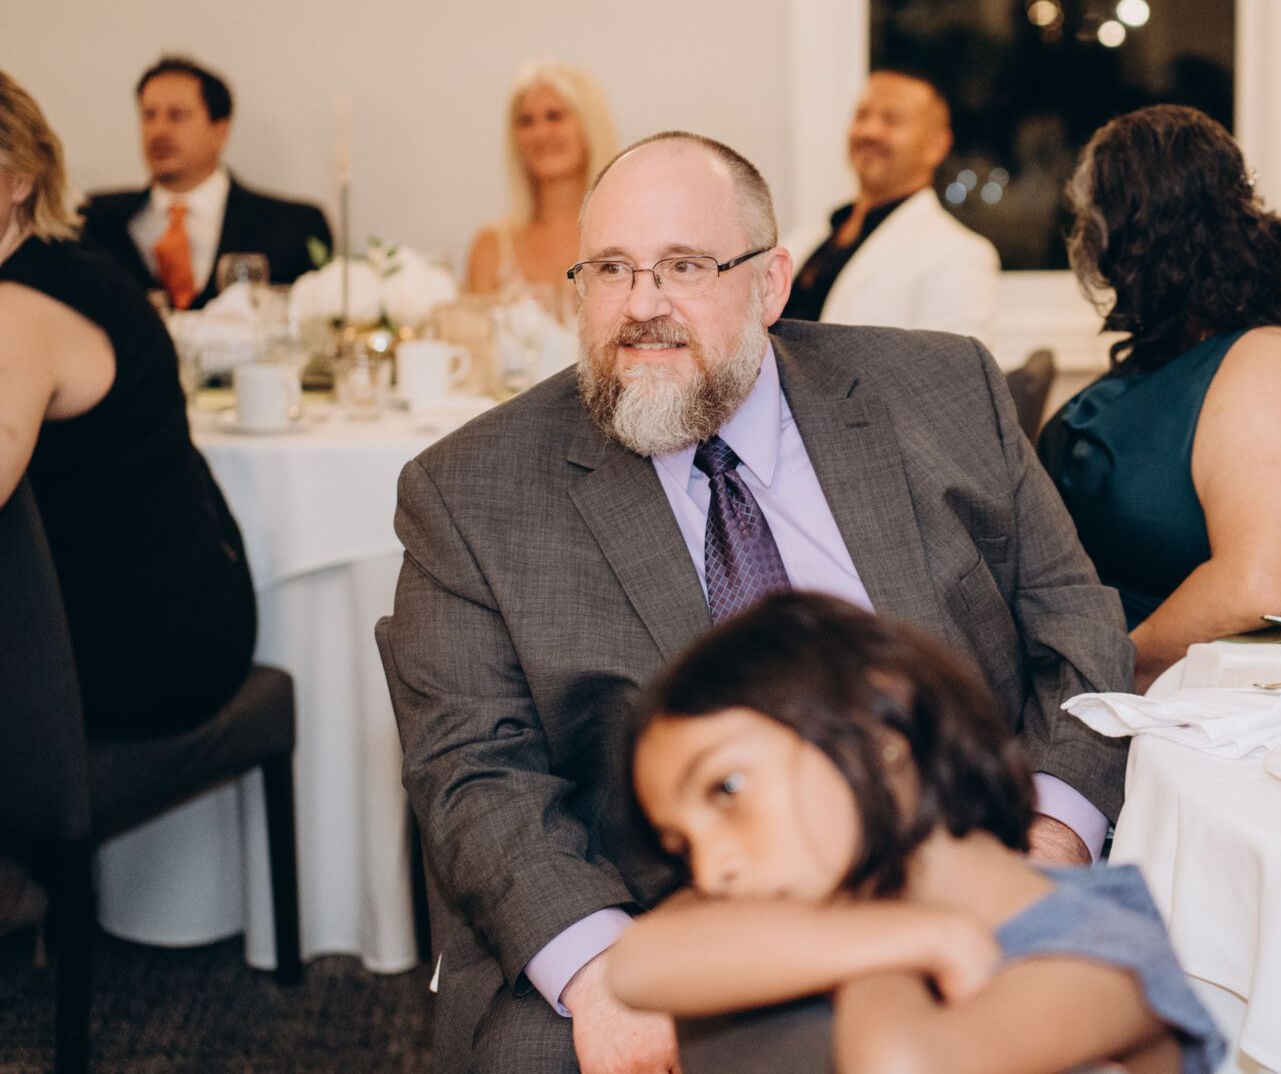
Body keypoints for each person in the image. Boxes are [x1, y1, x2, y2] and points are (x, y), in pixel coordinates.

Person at [376, 130, 1132, 1074]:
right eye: (611, 269)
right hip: (664, 918)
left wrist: (1048, 841)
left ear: (770, 285)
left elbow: (1075, 620)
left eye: (683, 266)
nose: (641, 305)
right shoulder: (470, 490)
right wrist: (601, 968)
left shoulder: (942, 390)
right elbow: (472, 769)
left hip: (962, 867)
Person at [608, 592, 1225, 1074]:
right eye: (683, 846)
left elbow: (904, 1064)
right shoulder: (819, 906)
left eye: (727, 787)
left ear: (878, 728)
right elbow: (636, 964)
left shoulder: (1102, 956)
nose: (711, 869)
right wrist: (914, 934)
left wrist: (891, 935)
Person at [1039, 105, 1281, 689]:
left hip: (1232, 701)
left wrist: (1102, 677)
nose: (1078, 239)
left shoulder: (1279, 361)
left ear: (1122, 234)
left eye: (1084, 217)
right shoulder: (1222, 322)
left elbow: (1258, 586)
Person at [0, 70, 255, 737]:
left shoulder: (19, 307)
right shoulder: (72, 259)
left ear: (19, 178)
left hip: (142, 654)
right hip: (192, 610)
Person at [82, 56, 331, 308]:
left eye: (177, 115)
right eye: (149, 115)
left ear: (220, 130)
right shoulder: (91, 220)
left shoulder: (294, 227)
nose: (159, 130)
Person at [782, 70, 1000, 346]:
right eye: (861, 115)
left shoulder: (960, 255)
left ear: (936, 146)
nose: (869, 131)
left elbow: (954, 372)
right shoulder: (805, 239)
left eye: (892, 119)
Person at [466, 61, 620, 295]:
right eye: (526, 121)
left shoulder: (629, 237)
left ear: (590, 126)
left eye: (554, 116)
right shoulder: (490, 249)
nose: (540, 133)